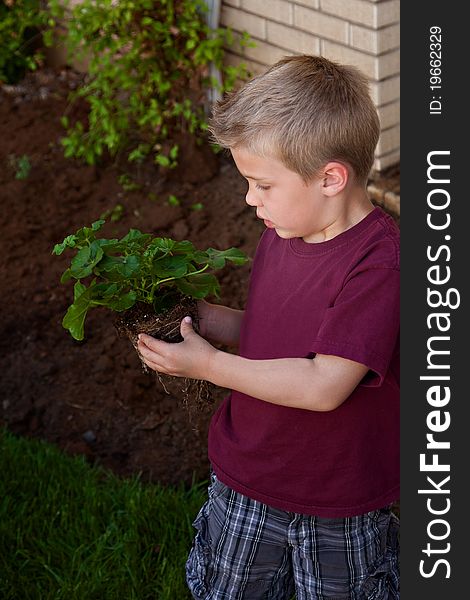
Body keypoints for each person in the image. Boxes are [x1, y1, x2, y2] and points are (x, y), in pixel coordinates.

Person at [137, 55, 400, 599]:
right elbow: (277, 332)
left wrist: (210, 366)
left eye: (261, 184)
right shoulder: (284, 232)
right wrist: (210, 322)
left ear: (330, 178)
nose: (251, 199)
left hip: (336, 495)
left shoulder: (378, 266)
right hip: (251, 472)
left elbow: (325, 383)